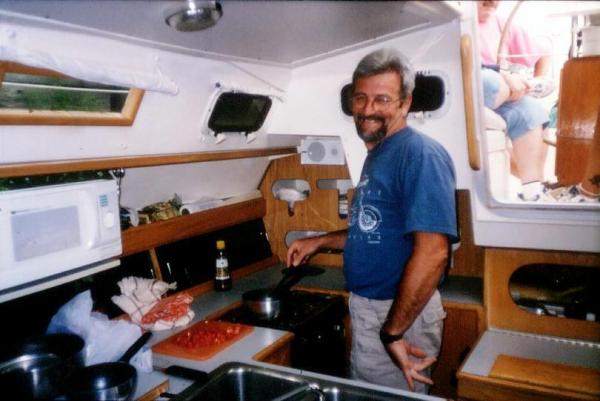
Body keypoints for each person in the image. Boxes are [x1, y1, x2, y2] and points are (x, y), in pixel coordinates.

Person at [286, 48, 458, 393]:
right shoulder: (379, 153)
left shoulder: (419, 154)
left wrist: (392, 331)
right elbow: (372, 230)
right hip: (375, 310)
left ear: (404, 103)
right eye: (361, 98)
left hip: (397, 313)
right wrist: (319, 241)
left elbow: (434, 253)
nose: (367, 109)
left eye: (382, 99)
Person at [477, 0, 553, 201]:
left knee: (532, 111)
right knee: (489, 81)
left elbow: (543, 53)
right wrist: (505, 78)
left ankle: (533, 193)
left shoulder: (503, 25)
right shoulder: (452, 22)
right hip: (465, 91)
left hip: (497, 97)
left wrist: (536, 82)